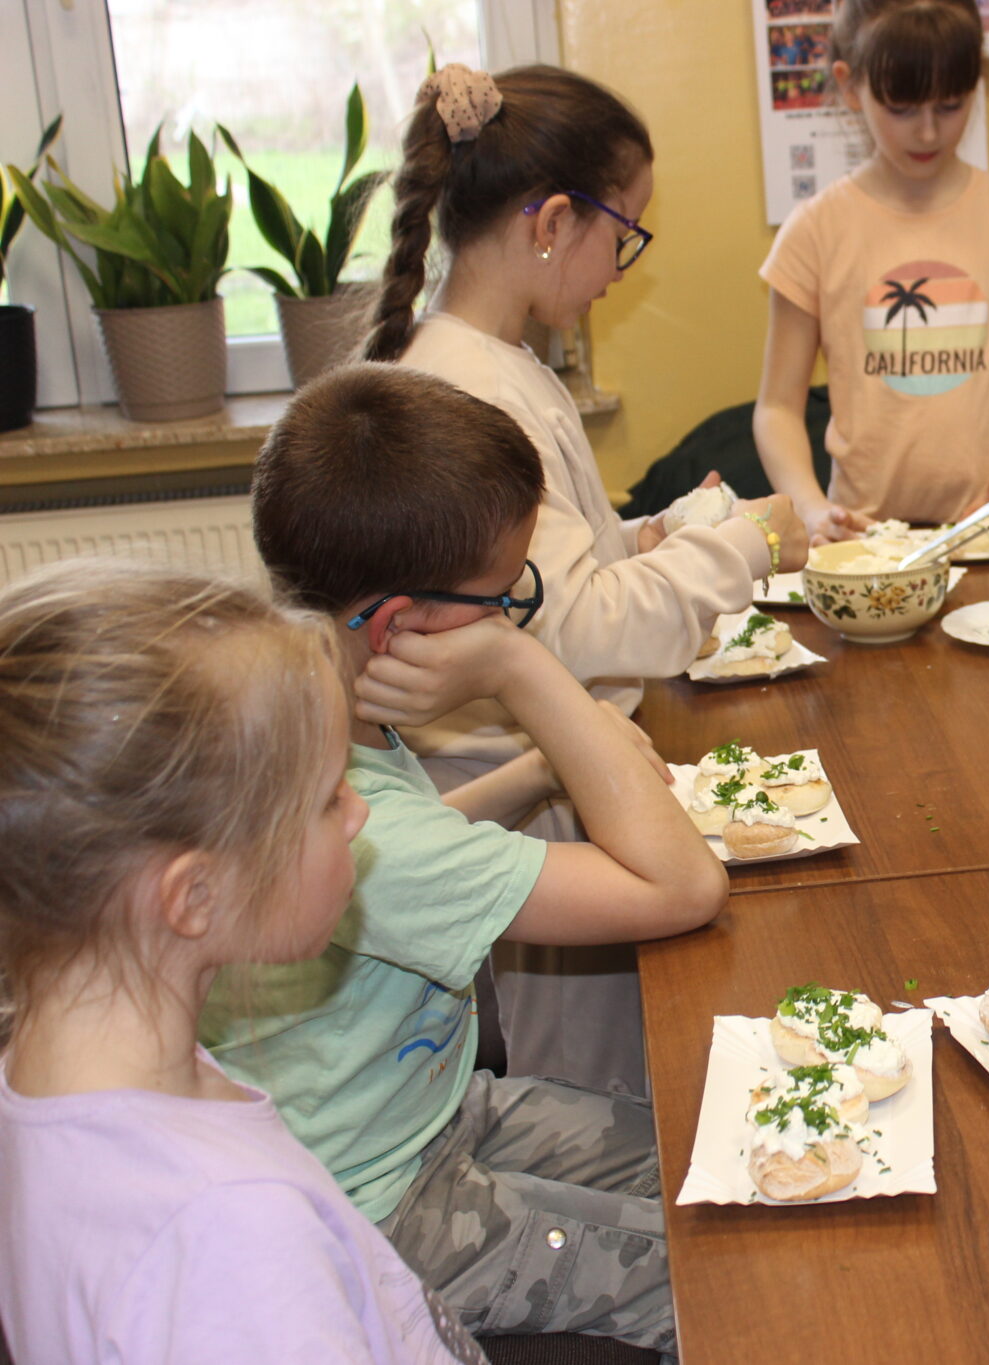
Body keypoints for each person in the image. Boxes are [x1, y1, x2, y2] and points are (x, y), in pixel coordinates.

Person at [203, 364, 725, 1359]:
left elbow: (403, 841)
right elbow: (684, 888)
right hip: (386, 1204)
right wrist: (518, 669)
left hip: (437, 1114)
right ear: (403, 624)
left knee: (715, 1158)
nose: (510, 616)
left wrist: (530, 772)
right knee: (725, 1275)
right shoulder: (378, 837)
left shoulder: (311, 717)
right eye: (502, 598)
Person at [362, 62, 804, 1092]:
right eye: (624, 234)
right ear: (553, 220)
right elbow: (583, 633)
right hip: (532, 804)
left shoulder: (494, 365)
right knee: (601, 1097)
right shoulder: (483, 389)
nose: (621, 266)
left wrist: (649, 534)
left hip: (543, 782)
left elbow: (551, 583)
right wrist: (752, 544)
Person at [0, 559, 486, 1364]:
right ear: (194, 896)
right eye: (330, 796)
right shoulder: (231, 1236)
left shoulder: (60, 1068)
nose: (360, 811)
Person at [753, 0, 989, 541]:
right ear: (849, 86)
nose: (930, 132)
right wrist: (812, 507)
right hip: (869, 538)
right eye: (903, 109)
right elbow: (776, 408)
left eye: (951, 105)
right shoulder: (815, 230)